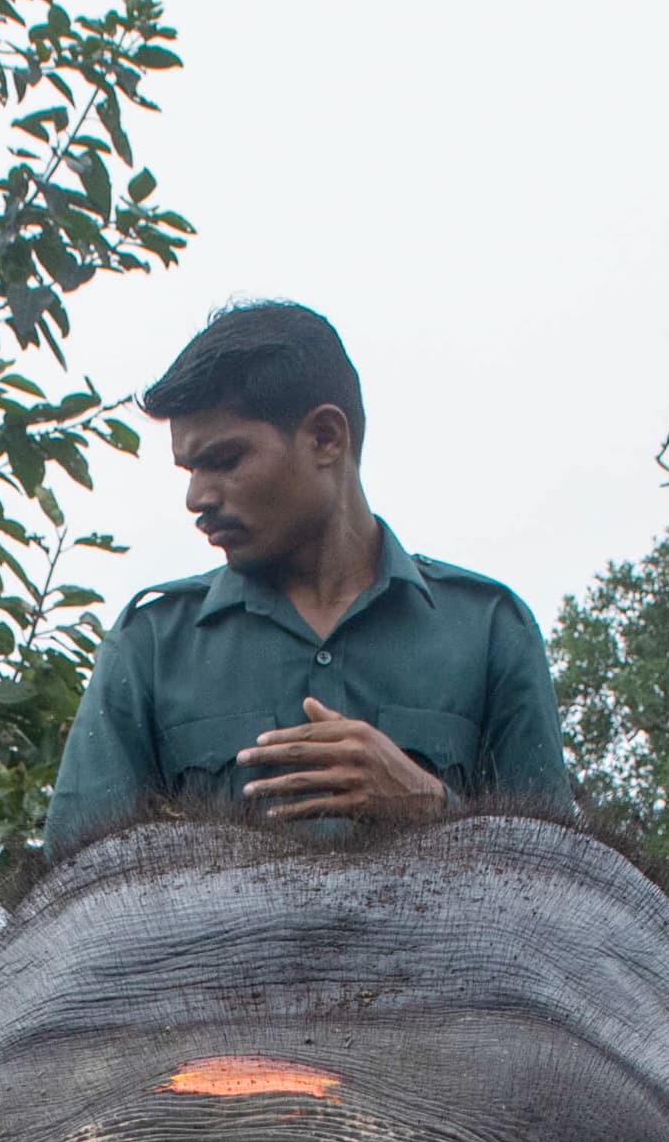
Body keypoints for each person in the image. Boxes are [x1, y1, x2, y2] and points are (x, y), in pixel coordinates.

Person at [43, 296, 572, 854]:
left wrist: (431, 808)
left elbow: (564, 892)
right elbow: (75, 893)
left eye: (224, 461)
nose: (197, 498)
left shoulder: (489, 630)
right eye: (190, 469)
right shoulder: (151, 645)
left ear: (325, 438)